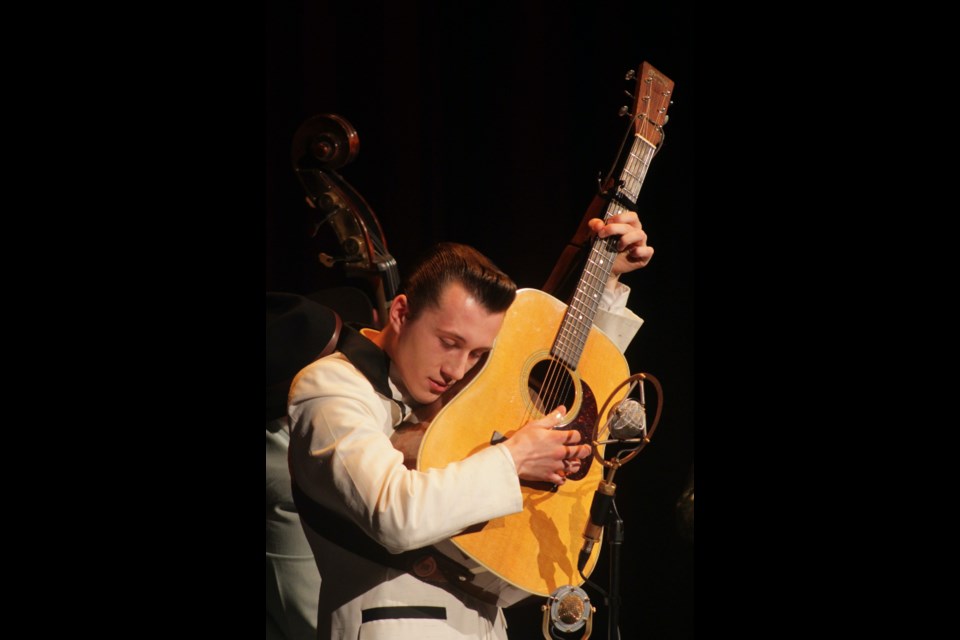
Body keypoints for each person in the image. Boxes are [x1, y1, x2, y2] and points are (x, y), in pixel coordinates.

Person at [287, 212, 652, 639]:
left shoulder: (453, 394)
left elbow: (569, 388)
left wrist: (604, 284)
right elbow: (395, 515)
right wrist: (513, 457)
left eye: (479, 354)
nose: (458, 369)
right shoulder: (330, 387)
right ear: (401, 312)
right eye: (449, 343)